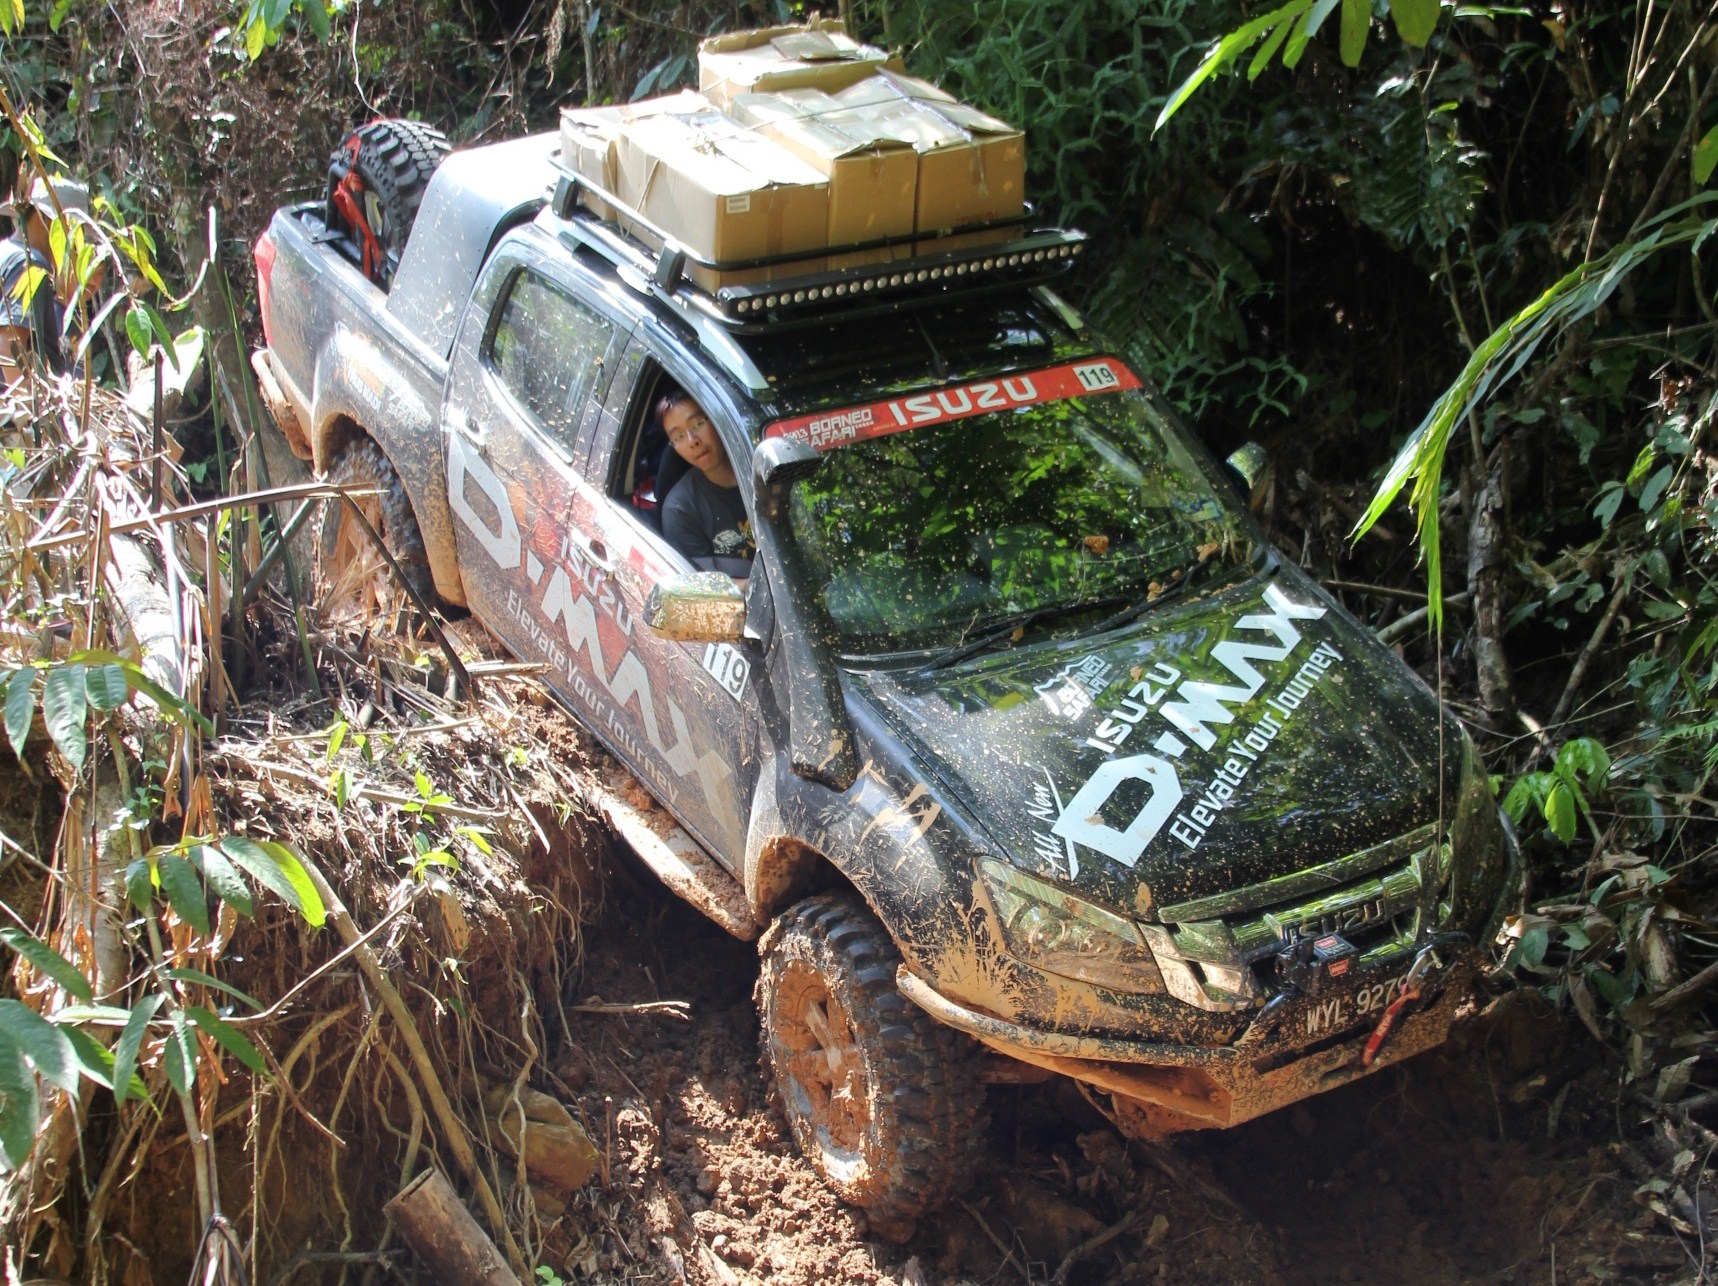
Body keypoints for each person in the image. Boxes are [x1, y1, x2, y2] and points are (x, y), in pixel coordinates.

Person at [0, 175, 89, 385]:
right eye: (73, 230)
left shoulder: (6, 251)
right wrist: (30, 415)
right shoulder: (30, 262)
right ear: (48, 220)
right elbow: (9, 339)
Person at [658, 388, 754, 582]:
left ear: (717, 418)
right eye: (679, 437)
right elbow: (707, 589)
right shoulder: (680, 509)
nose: (693, 441)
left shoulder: (762, 471)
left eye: (698, 424)